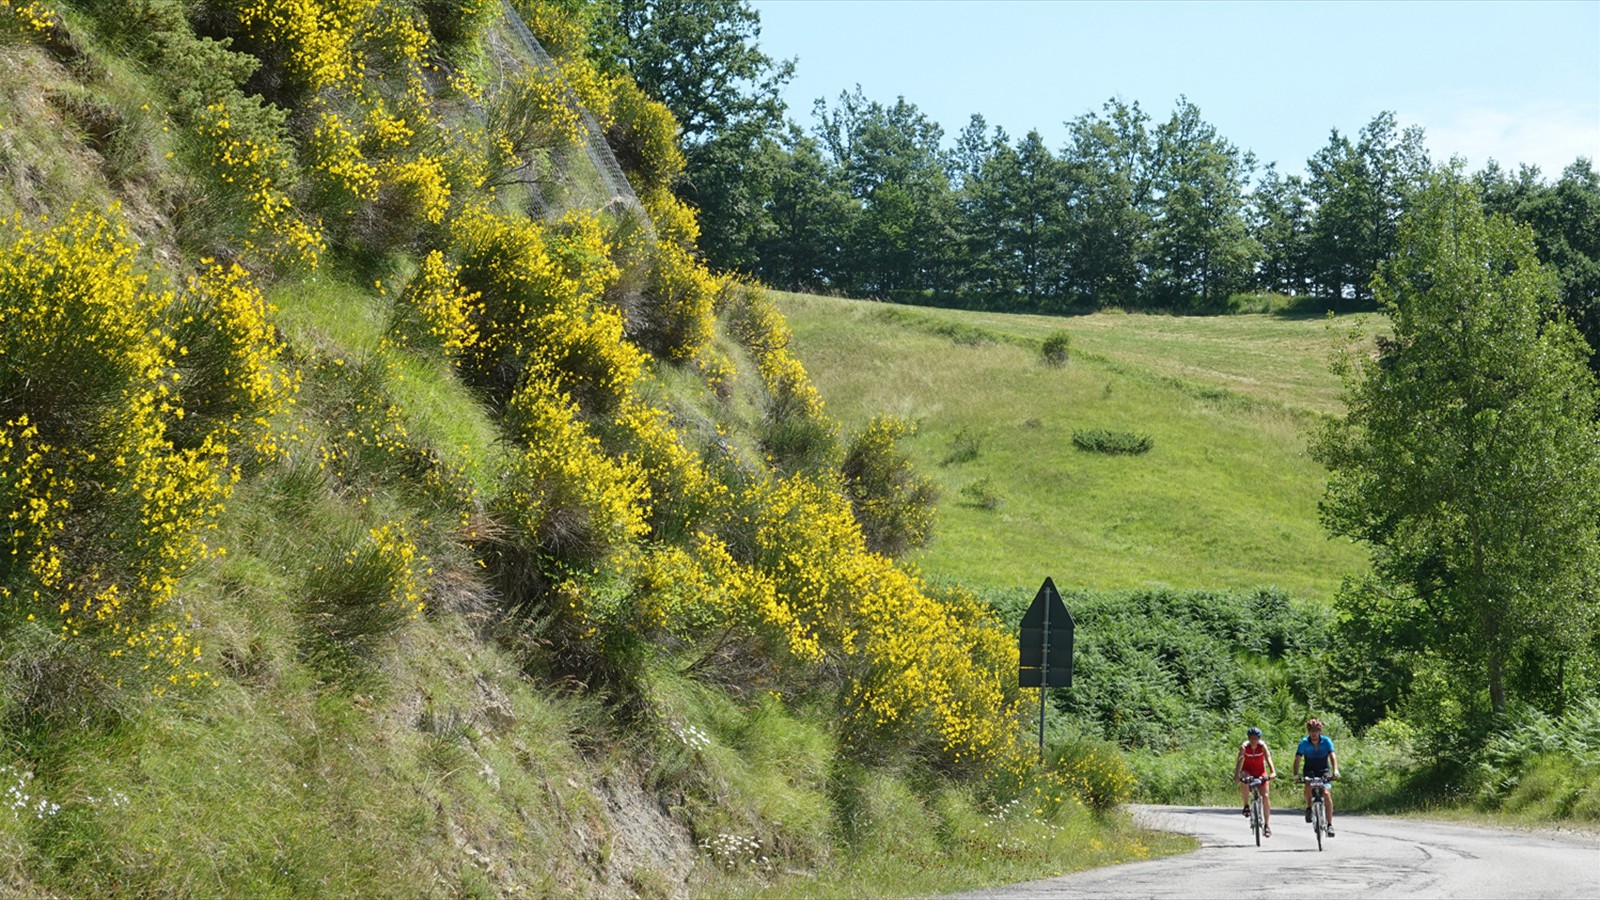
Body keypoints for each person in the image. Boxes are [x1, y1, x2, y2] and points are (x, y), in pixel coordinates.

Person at [1293, 717, 1340, 836]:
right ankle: (1309, 808)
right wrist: (1296, 774)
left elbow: (1332, 756)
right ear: (1308, 732)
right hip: (1309, 770)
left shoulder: (1326, 741)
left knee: (1326, 793)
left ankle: (1330, 825)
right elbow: (1298, 759)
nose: (1313, 733)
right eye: (1311, 731)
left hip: (1323, 769)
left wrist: (1335, 771)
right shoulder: (1304, 743)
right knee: (1308, 785)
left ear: (1320, 731)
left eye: (1316, 730)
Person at [1233, 726, 1276, 837]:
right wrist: (1237, 775)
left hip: (1260, 772)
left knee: (1265, 796)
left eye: (1255, 738)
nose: (1253, 740)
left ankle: (1267, 826)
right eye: (1251, 738)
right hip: (1248, 771)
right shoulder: (1244, 746)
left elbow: (1268, 758)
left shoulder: (1262, 746)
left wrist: (1273, 772)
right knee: (1244, 779)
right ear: (1248, 738)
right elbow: (1240, 760)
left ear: (1259, 738)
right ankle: (1246, 805)